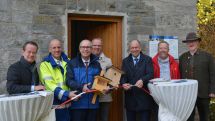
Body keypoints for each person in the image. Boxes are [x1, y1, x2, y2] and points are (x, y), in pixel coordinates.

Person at [179, 32, 215, 121]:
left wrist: (212, 91)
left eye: (193, 41)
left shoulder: (208, 56)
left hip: (204, 93)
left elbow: (213, 74)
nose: (191, 43)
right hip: (188, 93)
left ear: (198, 42)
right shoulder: (182, 57)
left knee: (204, 117)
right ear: (187, 44)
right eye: (189, 42)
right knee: (188, 117)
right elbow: (180, 75)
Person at [39, 39, 77, 121]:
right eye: (54, 48)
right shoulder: (45, 64)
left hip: (69, 103)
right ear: (49, 49)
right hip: (55, 103)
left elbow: (73, 79)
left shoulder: (68, 61)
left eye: (59, 47)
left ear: (62, 48)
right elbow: (50, 85)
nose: (57, 50)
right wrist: (66, 94)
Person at [66, 39, 101, 121]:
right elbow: (69, 81)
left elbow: (100, 80)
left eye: (88, 47)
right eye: (83, 47)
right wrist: (81, 87)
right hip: (77, 104)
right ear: (79, 49)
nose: (85, 49)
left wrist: (106, 88)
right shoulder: (72, 63)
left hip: (93, 104)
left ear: (91, 49)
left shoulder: (97, 64)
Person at [120, 39, 154, 121]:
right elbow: (123, 76)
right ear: (130, 49)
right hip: (130, 97)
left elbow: (150, 74)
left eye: (136, 47)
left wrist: (142, 80)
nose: (134, 49)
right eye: (132, 48)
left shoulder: (147, 59)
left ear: (140, 48)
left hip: (144, 98)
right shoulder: (125, 61)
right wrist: (123, 84)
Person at [92, 38, 112, 121]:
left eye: (99, 45)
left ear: (102, 46)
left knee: (104, 119)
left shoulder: (108, 61)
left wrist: (109, 88)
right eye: (95, 45)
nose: (97, 47)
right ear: (91, 46)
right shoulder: (86, 59)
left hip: (104, 96)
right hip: (91, 96)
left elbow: (112, 79)